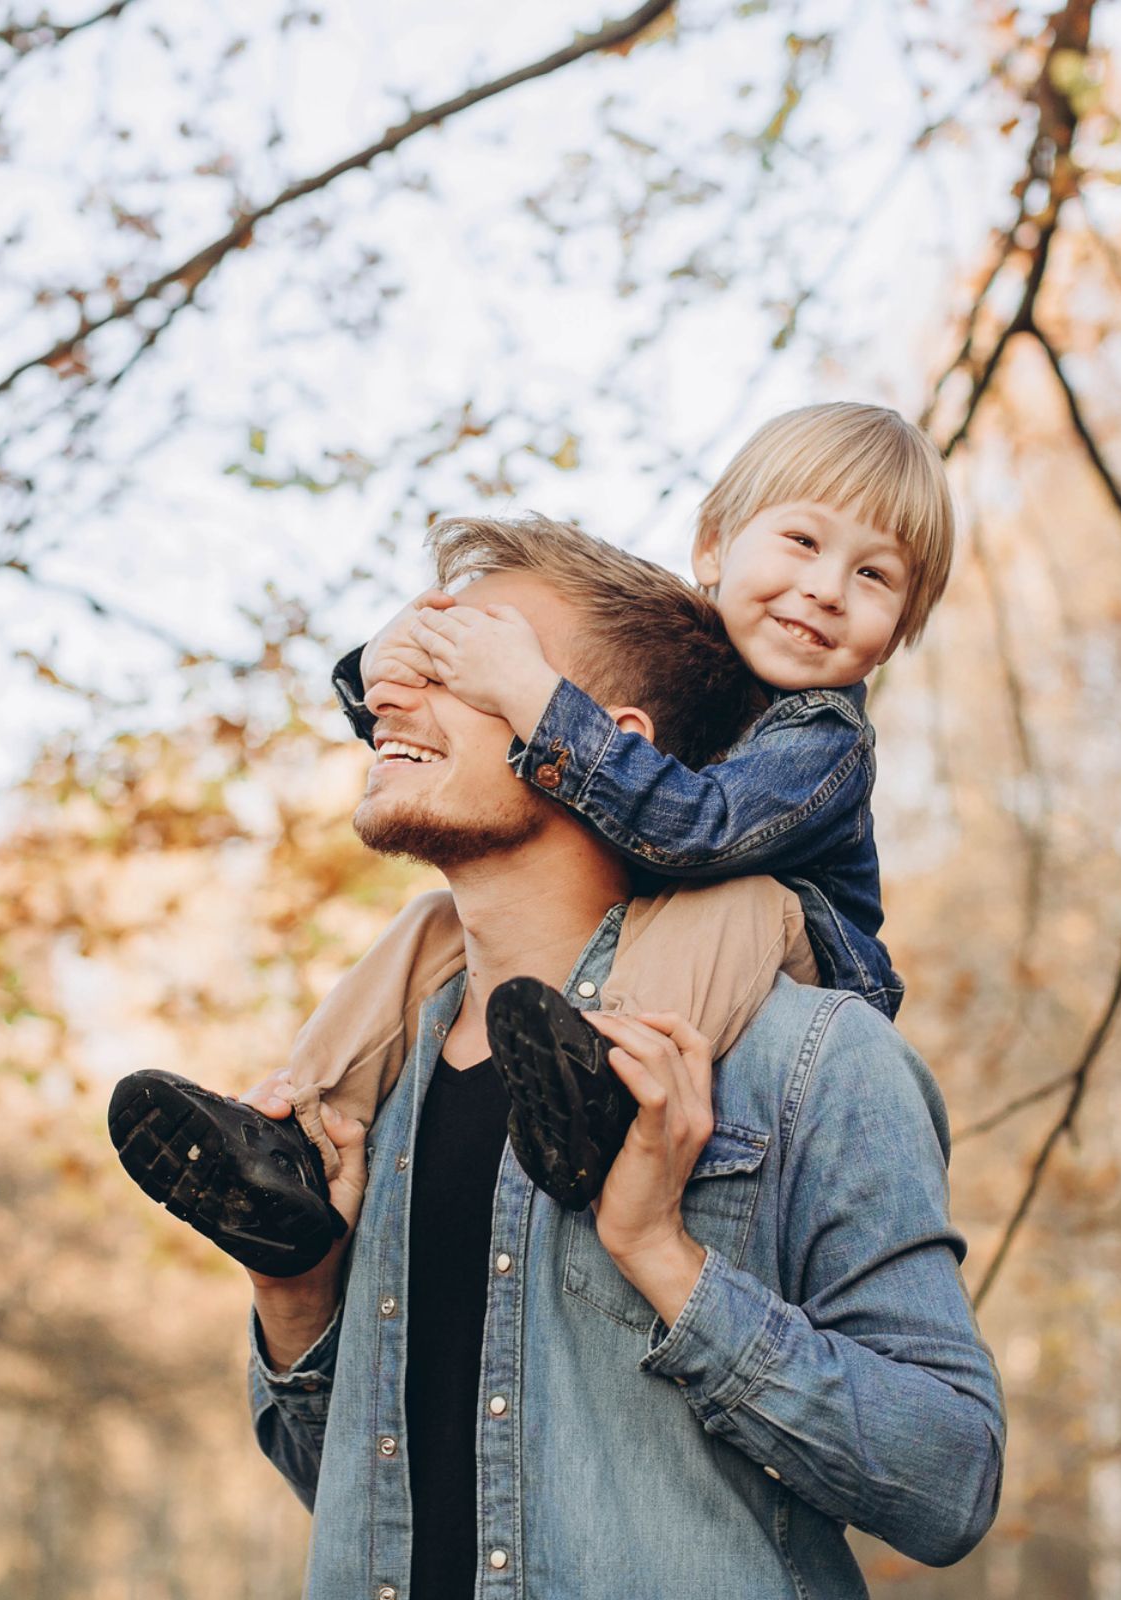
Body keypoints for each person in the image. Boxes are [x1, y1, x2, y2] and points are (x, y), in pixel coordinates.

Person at [208, 515, 1001, 1596]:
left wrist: (661, 1254)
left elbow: (948, 1482)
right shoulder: (380, 1087)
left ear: (600, 738)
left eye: (461, 667)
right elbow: (363, 1492)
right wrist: (294, 1295)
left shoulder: (810, 1060)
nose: (390, 697)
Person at [110, 402, 954, 1270]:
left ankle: (611, 1094)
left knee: (743, 900)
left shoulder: (824, 737)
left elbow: (699, 834)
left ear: (898, 633)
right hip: (665, 917)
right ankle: (299, 1135)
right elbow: (448, 738)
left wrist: (539, 700)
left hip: (790, 934)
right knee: (428, 925)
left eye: (876, 577)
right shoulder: (687, 665)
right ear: (714, 547)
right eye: (804, 542)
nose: (826, 589)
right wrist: (381, 669)